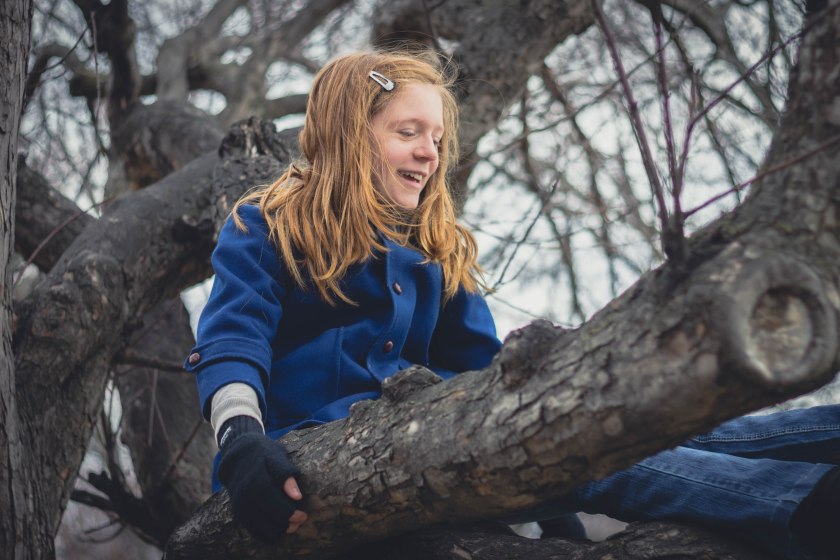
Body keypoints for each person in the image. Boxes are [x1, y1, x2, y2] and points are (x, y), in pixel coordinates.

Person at [184, 50, 839, 558]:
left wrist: (545, 485)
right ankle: (800, 508)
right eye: (408, 131)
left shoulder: (438, 249)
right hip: (314, 460)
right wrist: (242, 442)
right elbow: (232, 337)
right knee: (594, 436)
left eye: (438, 139)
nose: (429, 154)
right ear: (350, 134)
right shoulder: (268, 225)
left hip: (441, 443)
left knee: (640, 421)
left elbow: (488, 380)